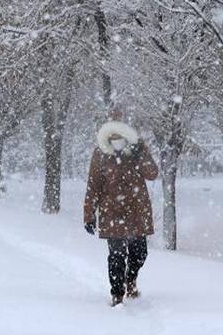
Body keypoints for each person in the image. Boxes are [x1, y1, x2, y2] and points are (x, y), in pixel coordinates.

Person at [83, 119, 159, 307]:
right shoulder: (100, 154)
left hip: (136, 212)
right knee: (116, 256)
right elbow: (93, 186)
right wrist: (89, 215)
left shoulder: (136, 151)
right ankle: (117, 294)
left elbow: (152, 173)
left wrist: (140, 152)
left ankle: (130, 280)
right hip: (112, 213)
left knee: (140, 253)